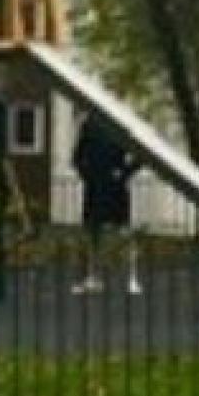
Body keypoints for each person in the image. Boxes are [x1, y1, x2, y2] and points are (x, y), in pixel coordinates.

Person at [71, 112, 140, 294]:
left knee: (123, 232)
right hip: (94, 187)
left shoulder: (122, 123)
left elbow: (140, 154)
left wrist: (124, 173)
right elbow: (77, 156)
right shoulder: (90, 124)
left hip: (116, 187)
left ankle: (131, 278)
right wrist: (87, 174)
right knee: (92, 232)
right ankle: (91, 277)